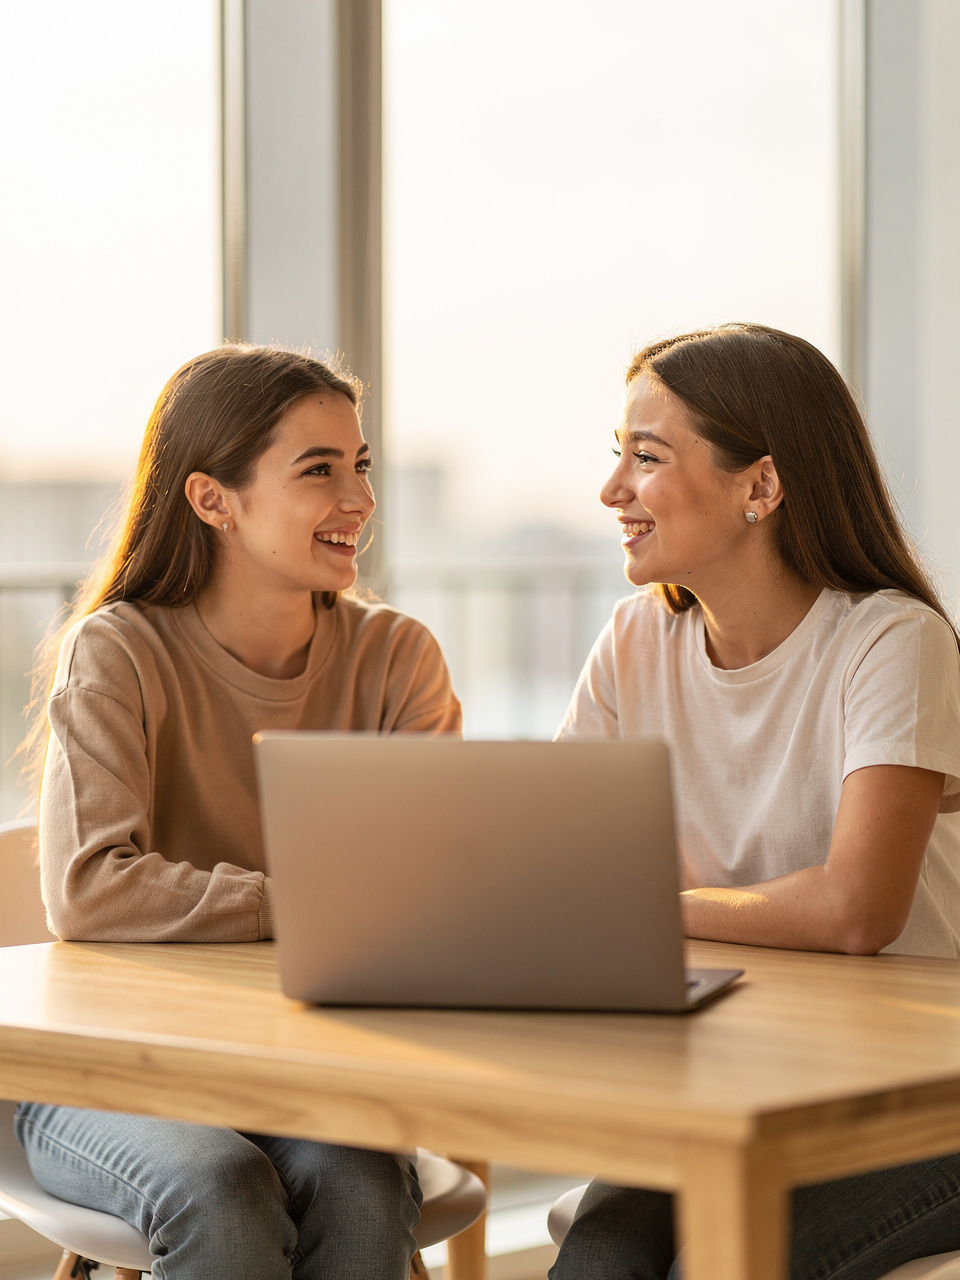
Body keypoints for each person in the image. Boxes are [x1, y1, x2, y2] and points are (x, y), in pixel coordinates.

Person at [15, 344, 461, 1279]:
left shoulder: (397, 659)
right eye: (319, 471)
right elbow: (91, 891)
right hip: (111, 1068)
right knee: (218, 1188)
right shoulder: (118, 652)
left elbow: (428, 893)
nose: (360, 502)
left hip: (301, 1068)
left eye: (361, 467)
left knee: (364, 1189)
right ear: (213, 499)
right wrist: (306, 901)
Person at [551, 323, 960, 1280]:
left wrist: (643, 911)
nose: (613, 492)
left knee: (727, 1267)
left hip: (921, 1094)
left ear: (762, 487)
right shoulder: (632, 643)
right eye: (618, 457)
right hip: (739, 1076)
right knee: (595, 1265)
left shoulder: (892, 642)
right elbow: (564, 879)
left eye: (645, 458)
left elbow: (857, 910)